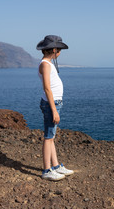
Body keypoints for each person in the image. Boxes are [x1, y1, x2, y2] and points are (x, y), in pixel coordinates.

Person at [37, 35, 74, 181]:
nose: (59, 52)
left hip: (53, 103)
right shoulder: (45, 65)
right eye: (59, 49)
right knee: (48, 137)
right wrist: (53, 110)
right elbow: (47, 88)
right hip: (51, 104)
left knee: (51, 137)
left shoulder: (48, 63)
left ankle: (56, 166)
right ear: (54, 50)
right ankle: (47, 170)